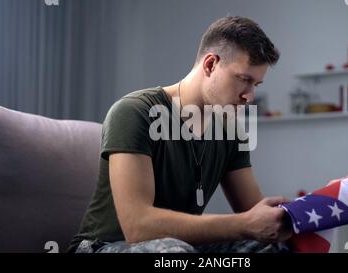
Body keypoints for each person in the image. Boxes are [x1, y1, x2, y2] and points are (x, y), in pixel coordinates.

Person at [68, 15, 293, 253]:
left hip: (180, 247)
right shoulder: (135, 111)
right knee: (172, 253)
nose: (249, 96)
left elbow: (256, 214)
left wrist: (318, 208)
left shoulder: (230, 129)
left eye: (255, 85)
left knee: (271, 249)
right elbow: (137, 226)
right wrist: (244, 224)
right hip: (102, 247)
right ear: (210, 65)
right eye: (243, 79)